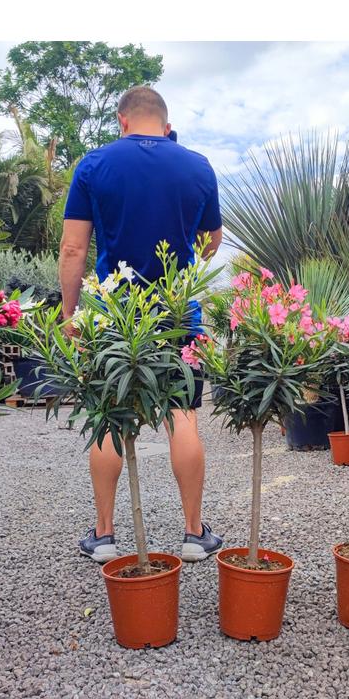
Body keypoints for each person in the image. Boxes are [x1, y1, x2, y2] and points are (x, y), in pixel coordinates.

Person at [59, 85, 224, 564]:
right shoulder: (198, 166)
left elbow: (73, 249)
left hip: (113, 314)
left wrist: (71, 316)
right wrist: (184, 256)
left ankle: (105, 537)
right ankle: (193, 534)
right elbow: (211, 242)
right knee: (183, 414)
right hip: (177, 313)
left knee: (110, 415)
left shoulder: (94, 165)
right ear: (167, 126)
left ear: (122, 120)